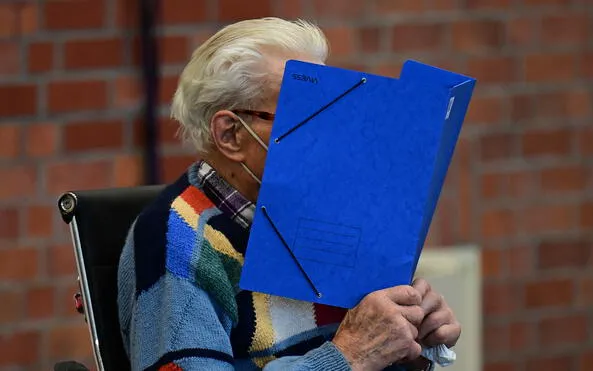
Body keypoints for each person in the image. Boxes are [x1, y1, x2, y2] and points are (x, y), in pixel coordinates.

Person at [117, 17, 461, 371]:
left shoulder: (327, 213)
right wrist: (347, 357)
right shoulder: (176, 237)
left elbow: (374, 353)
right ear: (231, 134)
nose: (329, 135)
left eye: (333, 110)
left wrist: (412, 343)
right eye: (309, 114)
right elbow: (354, 355)